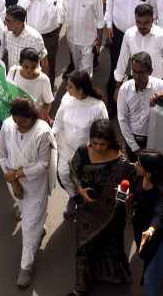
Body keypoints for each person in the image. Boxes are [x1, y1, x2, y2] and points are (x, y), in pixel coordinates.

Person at [68, 120, 136, 295]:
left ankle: (112, 275)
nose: (98, 148)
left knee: (111, 244)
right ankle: (81, 287)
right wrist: (80, 189)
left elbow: (128, 187)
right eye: (95, 143)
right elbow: (73, 170)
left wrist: (125, 198)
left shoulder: (121, 162)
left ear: (111, 141)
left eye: (103, 144)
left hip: (112, 213)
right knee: (83, 245)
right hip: (88, 208)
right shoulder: (83, 151)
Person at [0, 98, 55, 288]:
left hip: (35, 186)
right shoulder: (7, 126)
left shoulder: (43, 132)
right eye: (16, 121)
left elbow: (43, 164)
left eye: (22, 122)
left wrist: (18, 174)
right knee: (29, 215)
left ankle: (26, 266)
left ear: (31, 117)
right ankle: (39, 226)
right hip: (14, 184)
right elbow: (2, 155)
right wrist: (14, 182)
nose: (18, 126)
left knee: (28, 227)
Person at [52, 71, 109, 217]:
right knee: (63, 175)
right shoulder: (66, 99)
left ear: (81, 90)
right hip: (66, 148)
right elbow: (58, 120)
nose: (66, 89)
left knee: (84, 182)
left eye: (70, 87)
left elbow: (104, 131)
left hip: (86, 155)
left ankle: (85, 204)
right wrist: (51, 135)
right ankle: (74, 198)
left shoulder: (98, 107)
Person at [129, 150, 163, 296]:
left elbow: (159, 214)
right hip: (140, 230)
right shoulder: (138, 178)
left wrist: (151, 230)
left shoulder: (162, 192)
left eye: (139, 164)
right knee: (147, 260)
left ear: (148, 171)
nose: (135, 165)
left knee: (151, 281)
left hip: (157, 238)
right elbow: (135, 194)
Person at [117, 52, 163, 156]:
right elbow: (122, 119)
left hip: (155, 141)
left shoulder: (161, 86)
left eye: (141, 72)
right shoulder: (124, 89)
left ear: (150, 71)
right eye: (134, 72)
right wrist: (134, 148)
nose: (136, 76)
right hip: (132, 141)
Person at [60, 0, 105, 76]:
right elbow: (60, 14)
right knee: (76, 66)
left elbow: (100, 19)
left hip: (88, 40)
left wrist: (99, 39)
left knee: (86, 71)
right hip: (71, 39)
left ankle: (84, 90)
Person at [18, 0, 62, 82]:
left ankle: (47, 92)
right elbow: (19, 10)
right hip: (30, 35)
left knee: (49, 66)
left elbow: (55, 16)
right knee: (29, 65)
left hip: (48, 36)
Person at [6, 48, 55, 121]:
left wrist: (40, 118)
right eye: (26, 67)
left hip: (32, 119)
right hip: (13, 116)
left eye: (33, 67)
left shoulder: (44, 80)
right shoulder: (13, 71)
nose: (29, 70)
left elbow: (48, 102)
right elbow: (7, 90)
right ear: (20, 63)